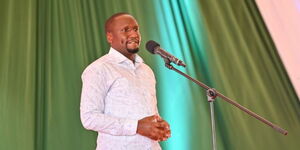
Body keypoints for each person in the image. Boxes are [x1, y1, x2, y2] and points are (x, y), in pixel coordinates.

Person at [80, 12, 171, 150]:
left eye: (136, 29)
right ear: (110, 37)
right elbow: (89, 118)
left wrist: (158, 126)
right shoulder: (98, 69)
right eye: (125, 30)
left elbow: (148, 113)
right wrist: (136, 126)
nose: (134, 34)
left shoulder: (146, 70)